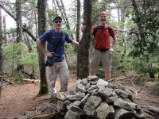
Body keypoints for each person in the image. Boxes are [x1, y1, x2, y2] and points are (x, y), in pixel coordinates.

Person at [36, 16, 80, 97]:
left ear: (61, 23)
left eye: (60, 21)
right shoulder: (49, 33)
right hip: (51, 60)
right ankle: (54, 97)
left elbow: (70, 41)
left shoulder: (64, 33)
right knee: (51, 81)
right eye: (56, 21)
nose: (58, 23)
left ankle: (62, 96)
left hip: (61, 60)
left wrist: (78, 43)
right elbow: (38, 41)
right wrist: (45, 53)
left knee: (65, 78)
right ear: (53, 23)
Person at [81, 11, 117, 81]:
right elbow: (88, 35)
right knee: (93, 68)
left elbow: (115, 39)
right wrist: (83, 31)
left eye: (105, 16)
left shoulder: (109, 28)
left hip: (107, 52)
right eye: (102, 16)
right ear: (99, 17)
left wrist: (112, 48)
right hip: (96, 51)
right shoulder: (95, 28)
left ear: (107, 17)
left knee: (107, 69)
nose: (103, 17)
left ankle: (107, 85)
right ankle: (91, 85)